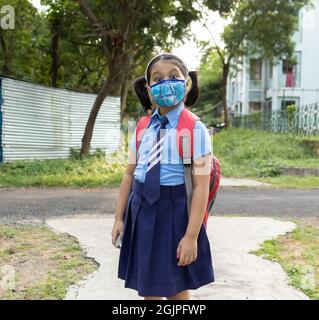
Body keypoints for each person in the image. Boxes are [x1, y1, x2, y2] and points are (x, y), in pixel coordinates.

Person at [112, 53, 215, 300]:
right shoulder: (142, 128)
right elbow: (129, 175)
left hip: (173, 213)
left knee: (176, 287)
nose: (165, 82)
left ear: (185, 83)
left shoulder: (194, 129)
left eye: (173, 76)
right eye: (157, 79)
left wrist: (191, 237)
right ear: (149, 90)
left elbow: (200, 187)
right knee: (148, 286)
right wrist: (118, 217)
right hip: (140, 210)